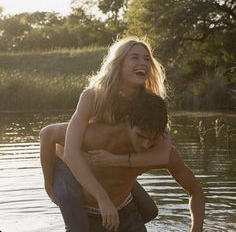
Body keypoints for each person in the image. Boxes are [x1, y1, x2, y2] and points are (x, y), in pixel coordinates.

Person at [40, 37, 170, 231]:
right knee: (79, 227)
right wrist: (49, 184)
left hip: (105, 162)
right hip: (69, 163)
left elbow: (163, 155)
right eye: (134, 57)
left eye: (146, 59)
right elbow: (68, 150)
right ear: (118, 64)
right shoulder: (92, 96)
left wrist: (114, 163)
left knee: (149, 211)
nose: (142, 62)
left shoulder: (149, 104)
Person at [41, 91, 205, 232]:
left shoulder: (158, 152)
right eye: (140, 136)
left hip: (123, 208)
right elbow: (48, 135)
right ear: (127, 123)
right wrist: (48, 185)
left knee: (150, 211)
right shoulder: (101, 135)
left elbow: (195, 190)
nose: (145, 145)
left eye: (152, 139)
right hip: (84, 203)